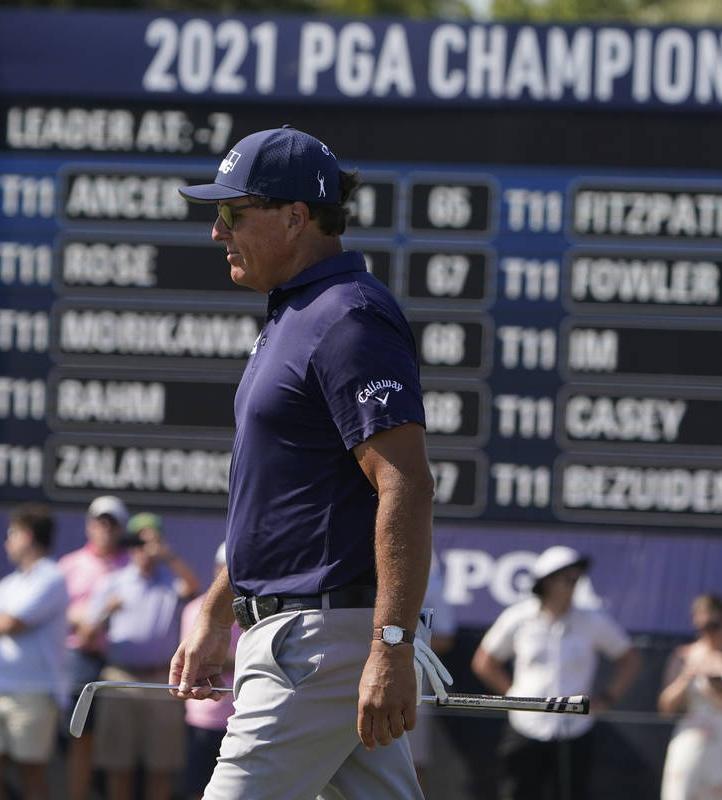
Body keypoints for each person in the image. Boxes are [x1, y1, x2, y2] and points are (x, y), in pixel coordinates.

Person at [170, 125, 450, 800]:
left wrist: (391, 644)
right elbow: (279, 506)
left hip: (317, 646)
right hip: (301, 637)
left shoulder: (346, 317)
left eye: (234, 212)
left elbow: (404, 484)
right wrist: (217, 609)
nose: (217, 231)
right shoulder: (295, 315)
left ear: (297, 217)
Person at [472, 545, 642, 800]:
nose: (574, 585)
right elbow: (484, 661)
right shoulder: (518, 617)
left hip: (575, 730)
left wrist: (607, 698)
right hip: (525, 726)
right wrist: (513, 697)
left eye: (577, 579)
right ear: (547, 582)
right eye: (568, 579)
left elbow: (630, 659)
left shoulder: (593, 620)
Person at [81, 514, 199, 800]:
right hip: (120, 678)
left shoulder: (171, 581)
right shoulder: (112, 583)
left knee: (161, 768)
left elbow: (194, 588)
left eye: (150, 542)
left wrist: (168, 555)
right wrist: (106, 611)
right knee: (118, 767)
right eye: (137, 542)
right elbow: (85, 636)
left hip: (161, 680)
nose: (143, 550)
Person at [0, 504, 69, 800]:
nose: (6, 542)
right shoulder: (9, 583)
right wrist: (2, 625)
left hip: (35, 693)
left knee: (31, 775)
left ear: (26, 536)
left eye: (10, 535)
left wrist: (2, 623)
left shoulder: (52, 577)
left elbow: (12, 623)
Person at [56, 495, 130, 800]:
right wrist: (84, 618)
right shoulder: (70, 565)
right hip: (80, 660)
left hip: (121, 662)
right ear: (89, 526)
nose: (106, 529)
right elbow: (61, 613)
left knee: (119, 746)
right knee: (81, 738)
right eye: (100, 522)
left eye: (112, 524)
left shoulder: (132, 563)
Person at [659, 593, 722, 800]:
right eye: (703, 626)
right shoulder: (683, 656)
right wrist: (687, 675)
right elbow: (665, 708)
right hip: (690, 748)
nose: (709, 632)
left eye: (715, 625)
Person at [179, 543, 240, 800]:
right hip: (204, 717)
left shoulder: (257, 609)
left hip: (243, 715)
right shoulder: (195, 609)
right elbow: (195, 660)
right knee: (197, 788)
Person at [410, 552, 457, 794]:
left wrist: (400, 648)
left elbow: (446, 638)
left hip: (413, 680)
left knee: (411, 761)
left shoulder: (431, 580)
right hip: (353, 669)